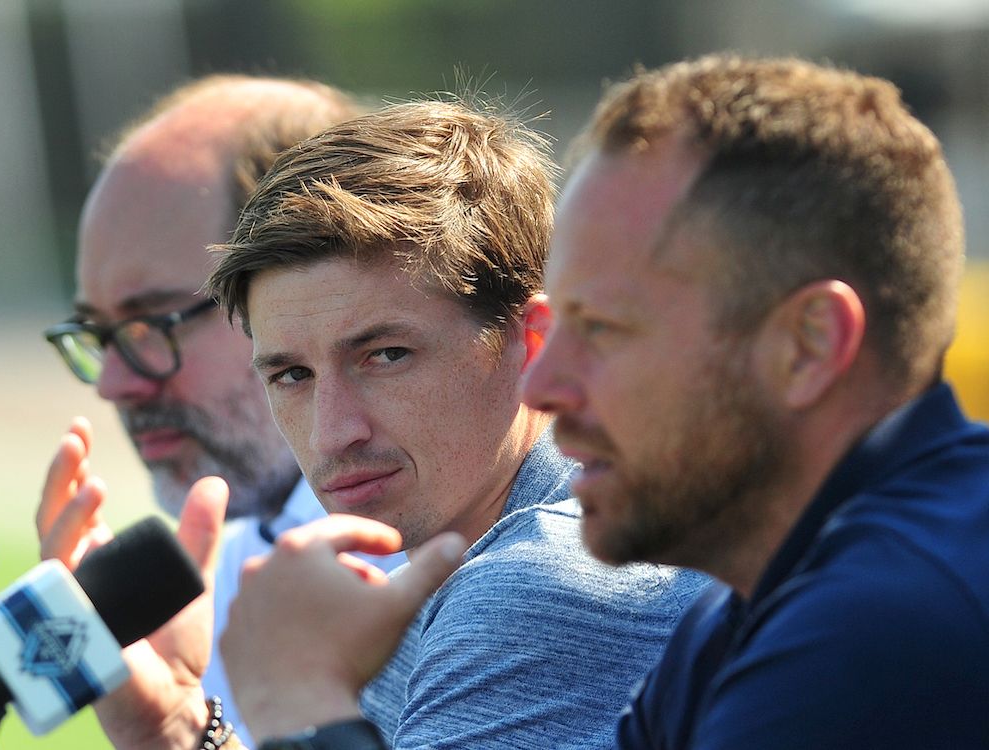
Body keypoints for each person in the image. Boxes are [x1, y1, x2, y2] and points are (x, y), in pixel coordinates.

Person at [218, 54, 989, 749]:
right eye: (288, 374)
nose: (548, 383)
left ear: (809, 346)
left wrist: (299, 707)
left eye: (608, 330)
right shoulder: (756, 606)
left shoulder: (881, 625)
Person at [69, 97, 709, 750]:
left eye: (385, 356)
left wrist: (293, 695)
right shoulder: (464, 560)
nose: (331, 434)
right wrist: (175, 729)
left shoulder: (540, 582)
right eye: (292, 375)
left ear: (533, 344)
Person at [35, 73, 407, 744]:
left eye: (152, 323)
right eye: (97, 332)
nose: (115, 382)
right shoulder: (220, 569)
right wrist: (177, 729)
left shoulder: (472, 559)